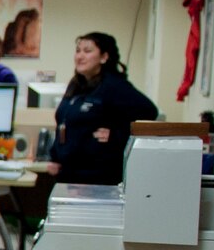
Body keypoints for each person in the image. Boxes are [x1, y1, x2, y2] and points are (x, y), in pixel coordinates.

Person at [47, 32, 158, 187]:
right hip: (68, 174)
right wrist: (55, 156)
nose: (80, 56)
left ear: (104, 57)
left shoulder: (113, 86)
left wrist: (117, 134)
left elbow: (149, 111)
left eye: (87, 51)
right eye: (78, 50)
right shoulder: (77, 84)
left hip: (96, 177)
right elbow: (64, 123)